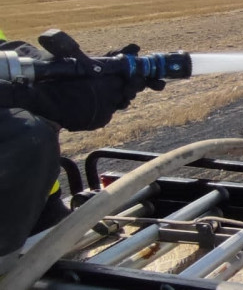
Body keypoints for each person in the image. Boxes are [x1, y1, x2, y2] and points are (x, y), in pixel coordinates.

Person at [0, 31, 161, 275]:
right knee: (25, 132)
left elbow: (6, 54)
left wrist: (61, 73)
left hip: (35, 211)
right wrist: (28, 97)